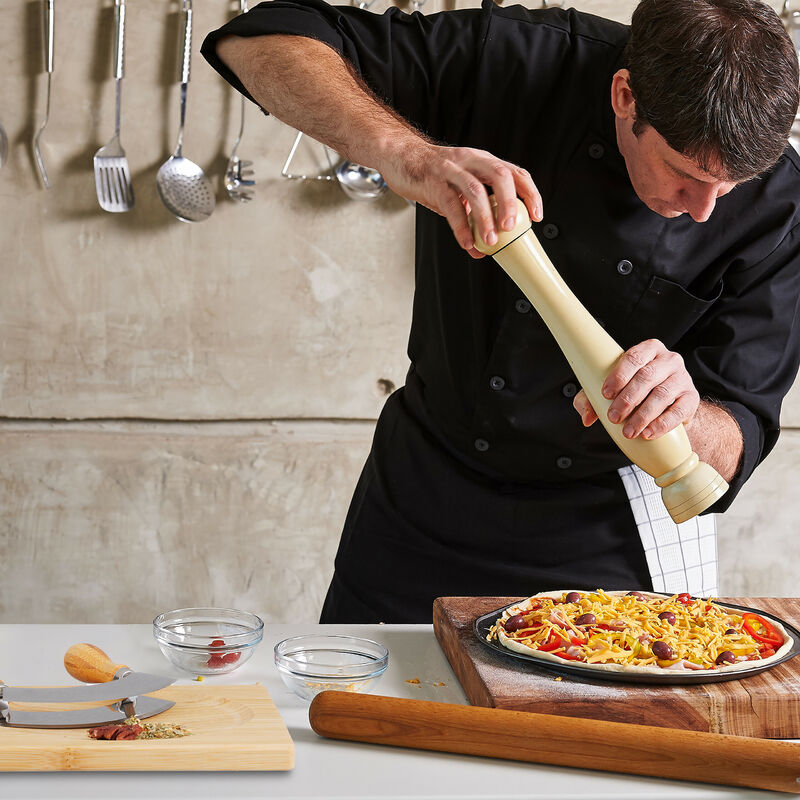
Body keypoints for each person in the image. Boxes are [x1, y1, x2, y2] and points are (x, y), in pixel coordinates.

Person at [202, 0, 800, 622]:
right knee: (364, 713)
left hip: (612, 531)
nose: (706, 209)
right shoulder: (515, 57)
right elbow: (257, 40)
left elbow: (740, 432)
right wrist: (408, 156)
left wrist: (685, 414)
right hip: (423, 501)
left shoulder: (783, 209)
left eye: (731, 187)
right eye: (685, 174)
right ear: (626, 97)